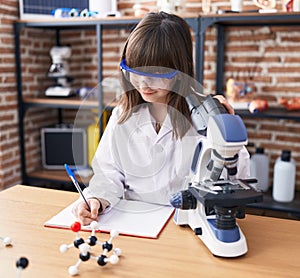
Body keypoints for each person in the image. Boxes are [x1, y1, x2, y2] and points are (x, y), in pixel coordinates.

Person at [74, 11, 250, 225]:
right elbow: (108, 174)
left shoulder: (203, 117)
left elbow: (235, 178)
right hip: (131, 221)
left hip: (185, 222)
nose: (143, 84)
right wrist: (96, 199)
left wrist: (227, 132)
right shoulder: (123, 114)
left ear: (179, 71)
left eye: (155, 75)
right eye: (134, 71)